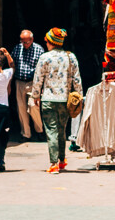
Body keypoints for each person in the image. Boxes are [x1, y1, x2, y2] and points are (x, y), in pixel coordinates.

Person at [30, 28, 81, 174]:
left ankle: (54, 163)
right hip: (65, 100)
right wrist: (79, 96)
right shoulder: (71, 57)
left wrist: (35, 96)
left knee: (51, 131)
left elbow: (38, 78)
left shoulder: (44, 58)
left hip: (48, 99)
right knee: (61, 130)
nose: (45, 43)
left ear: (51, 42)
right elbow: (77, 79)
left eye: (46, 41)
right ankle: (62, 160)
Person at [10, 29, 45, 142]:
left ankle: (39, 130)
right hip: (19, 81)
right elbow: (13, 64)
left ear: (32, 40)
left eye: (26, 42)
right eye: (22, 41)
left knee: (33, 106)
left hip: (33, 82)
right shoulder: (17, 48)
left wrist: (41, 86)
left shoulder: (39, 50)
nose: (24, 44)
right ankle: (26, 134)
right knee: (21, 108)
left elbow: (43, 69)